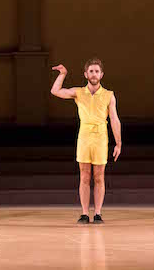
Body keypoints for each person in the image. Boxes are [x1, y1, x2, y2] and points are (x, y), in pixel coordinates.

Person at [50, 58, 122, 224]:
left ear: (101, 74)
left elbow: (114, 119)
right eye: (91, 71)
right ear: (86, 74)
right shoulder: (78, 92)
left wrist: (118, 143)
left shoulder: (109, 95)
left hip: (100, 137)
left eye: (97, 71)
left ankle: (97, 213)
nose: (94, 74)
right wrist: (63, 74)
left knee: (99, 177)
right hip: (84, 136)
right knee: (84, 176)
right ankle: (84, 213)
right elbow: (55, 91)